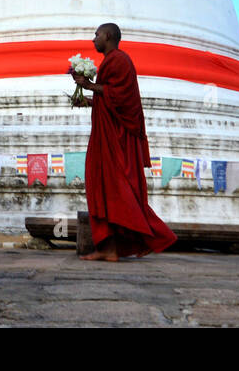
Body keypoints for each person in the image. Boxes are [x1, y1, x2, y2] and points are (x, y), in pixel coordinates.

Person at [69, 23, 176, 261]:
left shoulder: (119, 60)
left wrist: (88, 85)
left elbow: (121, 98)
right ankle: (109, 249)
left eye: (96, 35)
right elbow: (108, 98)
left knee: (117, 190)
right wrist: (86, 99)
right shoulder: (111, 61)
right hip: (104, 136)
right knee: (102, 188)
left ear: (107, 36)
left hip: (117, 139)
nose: (93, 39)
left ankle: (150, 236)